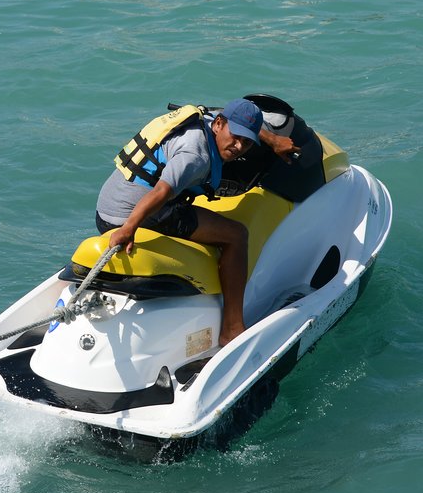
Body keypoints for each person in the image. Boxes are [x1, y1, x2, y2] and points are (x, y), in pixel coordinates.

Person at [95, 99, 299, 347]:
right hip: (129, 215)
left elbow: (237, 123)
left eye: (247, 142)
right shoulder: (196, 156)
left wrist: (273, 140)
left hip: (107, 206)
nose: (238, 147)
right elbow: (161, 192)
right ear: (220, 125)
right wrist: (128, 229)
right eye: (235, 137)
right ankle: (232, 327)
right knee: (236, 235)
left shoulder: (207, 118)